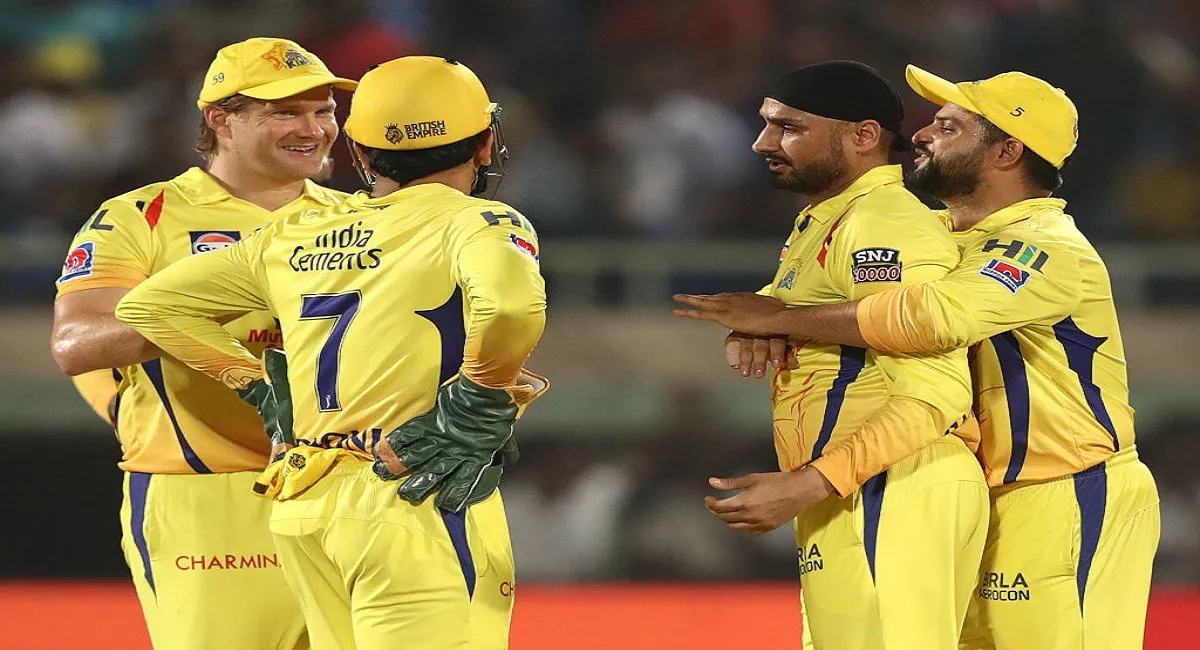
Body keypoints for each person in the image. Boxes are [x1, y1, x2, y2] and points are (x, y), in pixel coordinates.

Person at [674, 65, 1161, 650]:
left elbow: (933, 319)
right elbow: (835, 288)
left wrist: (778, 319)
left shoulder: (1045, 248)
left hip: (1063, 491)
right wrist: (766, 318)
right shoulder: (936, 232)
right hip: (984, 487)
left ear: (1007, 152)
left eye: (950, 127)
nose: (922, 134)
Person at [114, 56, 548, 650]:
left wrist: (256, 386)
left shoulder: (295, 233)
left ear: (362, 154)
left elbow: (149, 307)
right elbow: (510, 310)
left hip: (305, 496)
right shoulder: (482, 221)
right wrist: (478, 395)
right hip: (414, 487)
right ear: (485, 145)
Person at [49, 37, 356, 650]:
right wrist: (198, 309)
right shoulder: (142, 215)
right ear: (220, 119)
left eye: (323, 111)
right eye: (285, 112)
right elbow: (76, 343)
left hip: (347, 490)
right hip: (207, 497)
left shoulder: (361, 217)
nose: (314, 129)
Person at [678, 60, 988, 650]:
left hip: (894, 485)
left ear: (865, 136)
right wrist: (762, 325)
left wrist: (812, 482)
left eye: (789, 128)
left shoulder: (884, 224)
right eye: (767, 124)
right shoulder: (828, 221)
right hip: (859, 488)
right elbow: (815, 315)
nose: (762, 142)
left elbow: (938, 394)